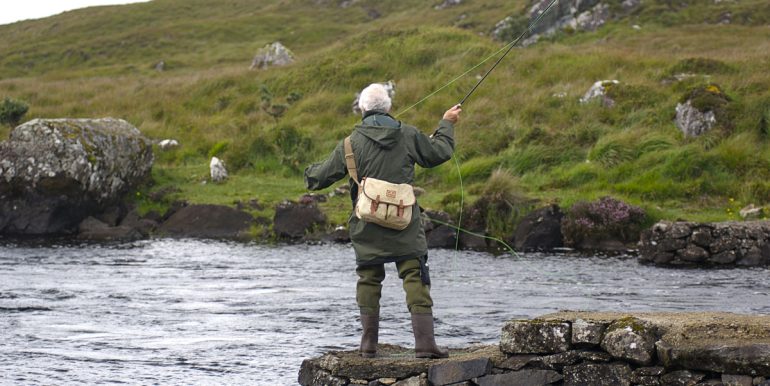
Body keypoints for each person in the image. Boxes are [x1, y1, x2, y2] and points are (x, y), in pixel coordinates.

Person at [304, 83, 461, 359]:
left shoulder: (350, 143)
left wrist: (308, 171)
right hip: (405, 222)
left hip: (367, 224)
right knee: (414, 275)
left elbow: (318, 178)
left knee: (369, 278)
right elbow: (439, 152)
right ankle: (425, 346)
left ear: (362, 109)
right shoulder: (408, 134)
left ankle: (368, 346)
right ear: (388, 107)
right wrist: (446, 124)